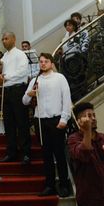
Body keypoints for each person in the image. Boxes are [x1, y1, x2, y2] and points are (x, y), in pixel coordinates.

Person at [22, 53, 72, 198]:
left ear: (51, 63)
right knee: (46, 155)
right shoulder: (35, 80)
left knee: (59, 154)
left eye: (46, 61)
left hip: (56, 120)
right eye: (41, 61)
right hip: (40, 121)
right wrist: (30, 93)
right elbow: (24, 101)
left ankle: (64, 184)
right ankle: (49, 185)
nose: (42, 64)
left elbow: (66, 100)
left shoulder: (59, 78)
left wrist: (64, 119)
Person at [0, 32, 31, 164]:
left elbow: (23, 72)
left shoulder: (20, 54)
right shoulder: (3, 56)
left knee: (22, 121)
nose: (4, 41)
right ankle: (11, 152)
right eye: (2, 39)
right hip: (6, 90)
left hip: (18, 89)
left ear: (13, 39)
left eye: (6, 38)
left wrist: (6, 77)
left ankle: (26, 153)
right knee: (8, 123)